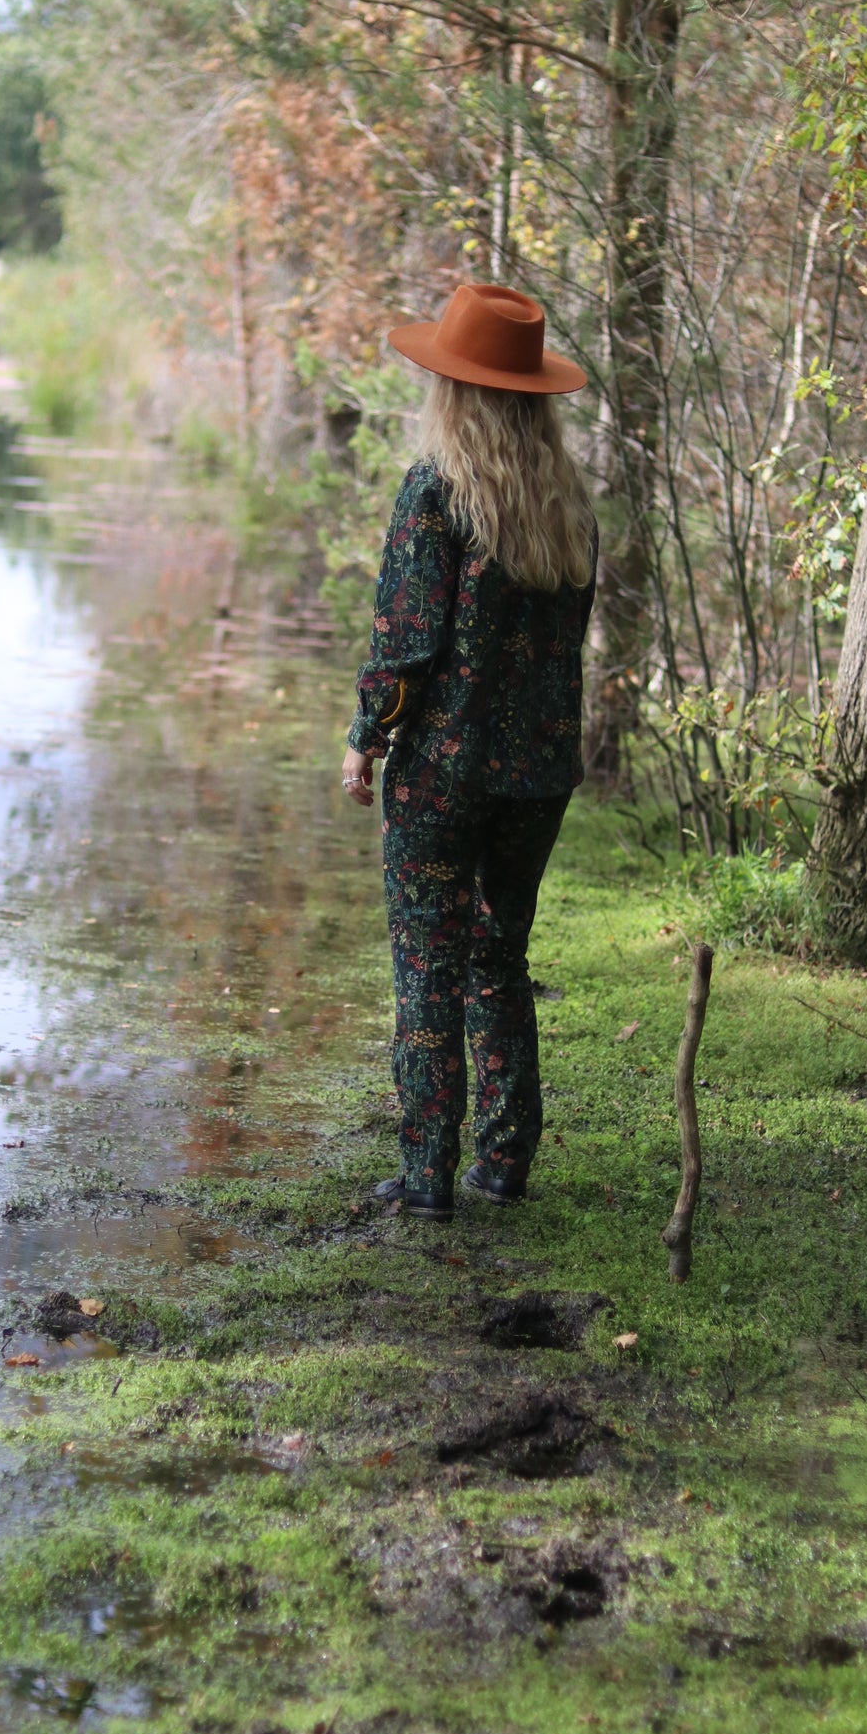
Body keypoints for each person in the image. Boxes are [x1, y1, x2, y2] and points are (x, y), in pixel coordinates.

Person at [342, 281, 597, 1220]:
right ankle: (501, 1160)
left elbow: (408, 643)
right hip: (538, 775)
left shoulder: (437, 491)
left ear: (455, 390)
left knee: (427, 962)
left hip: (445, 770)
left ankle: (424, 1176)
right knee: (500, 956)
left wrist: (365, 740)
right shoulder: (569, 505)